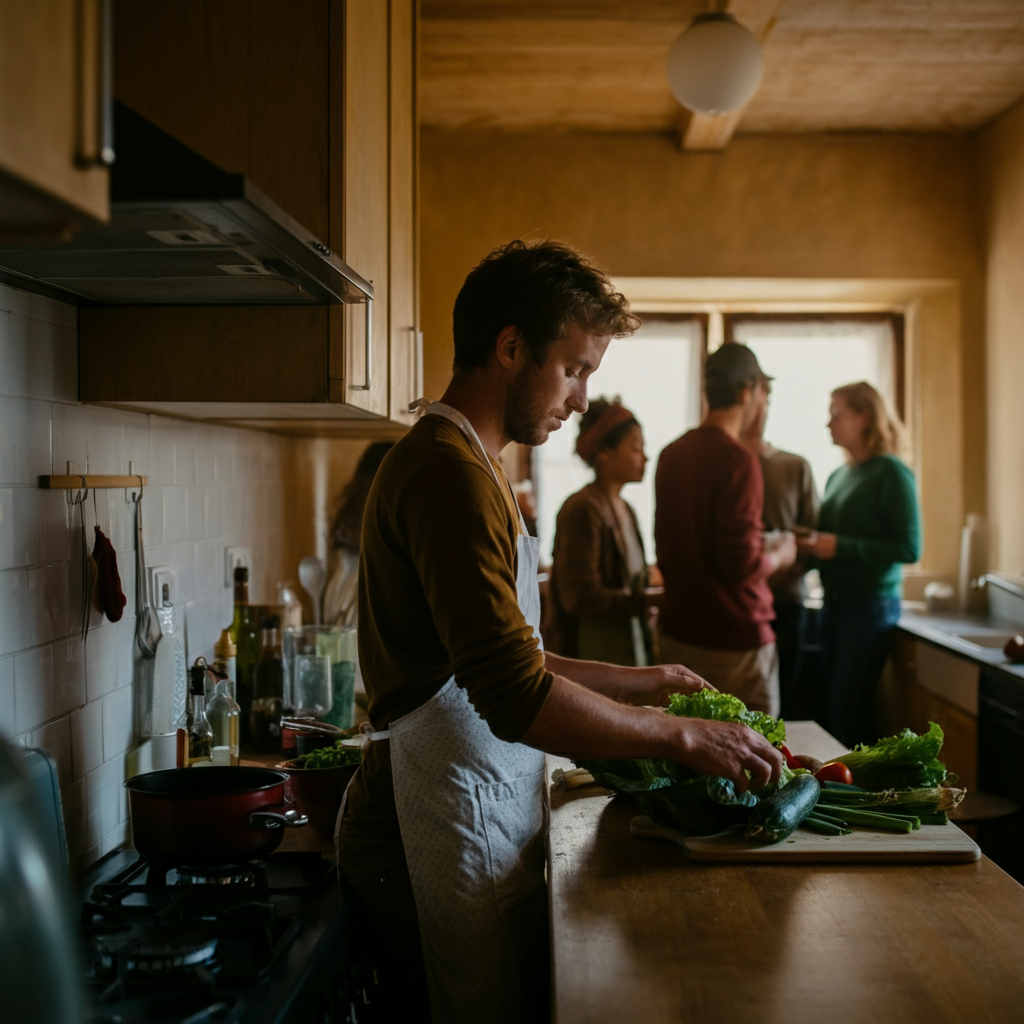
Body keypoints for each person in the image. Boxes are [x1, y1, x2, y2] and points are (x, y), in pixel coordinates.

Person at [336, 240, 784, 1024]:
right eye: (574, 369)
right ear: (510, 347)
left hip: (467, 803)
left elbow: (515, 655)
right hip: (422, 822)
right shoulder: (447, 474)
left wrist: (647, 680)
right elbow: (512, 694)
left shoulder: (476, 466)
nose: (580, 400)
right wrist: (676, 738)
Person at [654, 343, 797, 717]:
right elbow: (743, 567)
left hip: (678, 638)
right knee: (758, 761)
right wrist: (780, 553)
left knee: (682, 762)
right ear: (747, 392)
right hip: (736, 645)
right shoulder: (738, 460)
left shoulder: (672, 454)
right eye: (763, 393)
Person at [797, 381, 921, 748]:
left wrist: (841, 546)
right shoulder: (840, 476)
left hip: (869, 608)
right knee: (833, 714)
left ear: (865, 417)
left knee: (846, 713)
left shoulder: (892, 473)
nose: (828, 423)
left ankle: (856, 799)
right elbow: (832, 540)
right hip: (832, 604)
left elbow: (909, 547)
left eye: (837, 413)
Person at [544, 398, 653, 666]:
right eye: (636, 448)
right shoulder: (583, 509)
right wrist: (644, 601)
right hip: (591, 659)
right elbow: (579, 597)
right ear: (604, 453)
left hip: (628, 651)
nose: (645, 457)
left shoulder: (626, 508)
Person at [740, 391, 819, 719]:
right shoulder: (723, 465)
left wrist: (795, 566)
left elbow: (814, 536)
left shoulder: (795, 466)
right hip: (740, 606)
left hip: (785, 604)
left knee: (782, 705)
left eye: (767, 401)